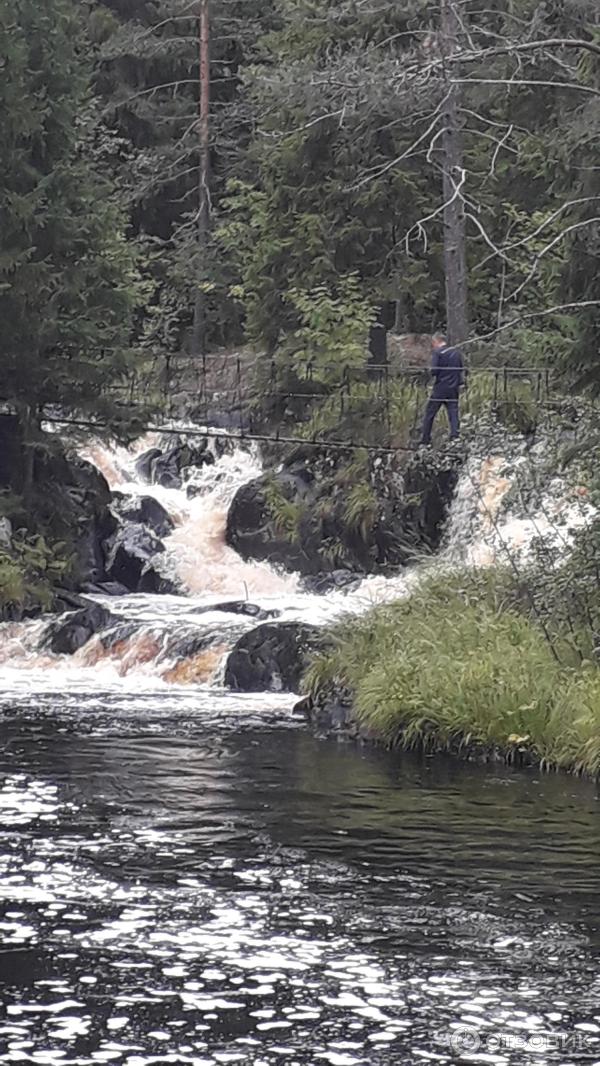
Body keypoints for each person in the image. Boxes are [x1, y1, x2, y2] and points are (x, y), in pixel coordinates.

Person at [420, 333, 464, 446]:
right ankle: (455, 437)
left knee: (430, 413)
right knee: (453, 413)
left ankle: (425, 439)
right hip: (453, 388)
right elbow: (461, 369)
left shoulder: (438, 353)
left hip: (440, 388)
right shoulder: (456, 353)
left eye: (433, 343)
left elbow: (434, 370)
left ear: (436, 342)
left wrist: (428, 372)